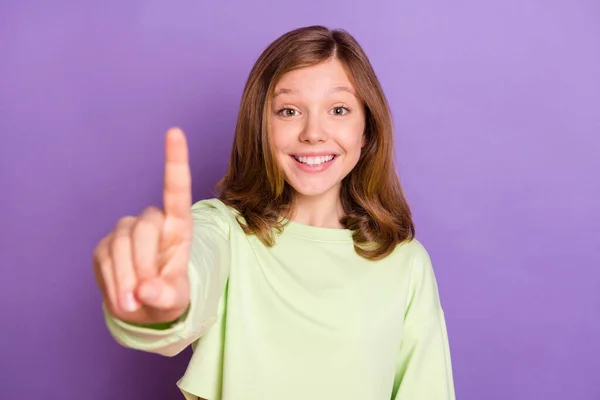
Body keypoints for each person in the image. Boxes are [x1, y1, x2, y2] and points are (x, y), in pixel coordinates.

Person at [93, 25, 456, 400]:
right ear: (260, 127)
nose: (313, 133)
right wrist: (159, 307)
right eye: (288, 111)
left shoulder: (406, 264)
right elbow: (193, 268)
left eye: (338, 109)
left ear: (366, 130)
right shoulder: (225, 231)